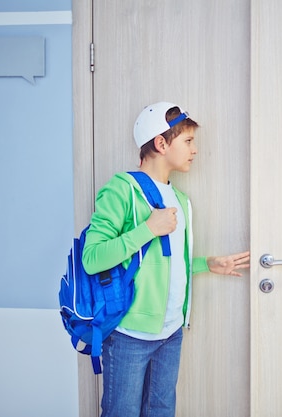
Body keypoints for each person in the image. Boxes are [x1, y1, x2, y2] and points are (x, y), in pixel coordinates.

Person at [81, 101, 250, 417]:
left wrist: (207, 264)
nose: (195, 150)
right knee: (122, 412)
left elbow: (163, 262)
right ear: (161, 143)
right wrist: (147, 228)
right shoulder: (122, 190)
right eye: (187, 141)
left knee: (161, 410)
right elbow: (92, 259)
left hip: (170, 332)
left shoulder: (181, 200)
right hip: (130, 334)